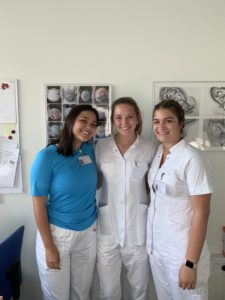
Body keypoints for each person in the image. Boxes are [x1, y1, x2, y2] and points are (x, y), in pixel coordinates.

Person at [30, 105, 99, 300]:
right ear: (71, 122)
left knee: (82, 294)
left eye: (93, 124)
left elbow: (94, 180)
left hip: (88, 232)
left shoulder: (88, 150)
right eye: (83, 121)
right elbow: (38, 205)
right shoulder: (47, 157)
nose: (88, 127)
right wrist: (49, 246)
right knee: (56, 296)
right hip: (57, 235)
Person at [146, 99, 213, 300]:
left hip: (182, 254)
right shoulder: (159, 153)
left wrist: (190, 263)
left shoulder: (193, 158)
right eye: (156, 121)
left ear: (180, 123)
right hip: (158, 251)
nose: (161, 127)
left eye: (168, 121)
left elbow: (202, 213)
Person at [95, 97, 155, 300]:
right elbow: (94, 182)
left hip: (137, 230)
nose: (124, 122)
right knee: (109, 291)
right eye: (118, 117)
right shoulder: (100, 147)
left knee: (139, 290)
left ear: (138, 118)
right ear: (112, 119)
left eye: (130, 116)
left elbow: (152, 186)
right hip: (107, 230)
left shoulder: (150, 148)